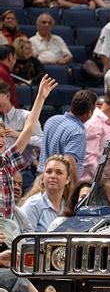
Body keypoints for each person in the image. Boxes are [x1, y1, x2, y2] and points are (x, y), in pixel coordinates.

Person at [0, 75, 56, 220]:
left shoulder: (6, 160)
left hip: (7, 233)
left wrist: (40, 97)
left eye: (2, 136)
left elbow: (29, 129)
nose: (2, 140)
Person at [39, 89, 97, 182]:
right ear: (89, 113)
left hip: (42, 178)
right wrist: (74, 186)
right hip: (59, 184)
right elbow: (70, 159)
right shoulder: (78, 132)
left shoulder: (52, 120)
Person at [20, 155, 72, 231]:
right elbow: (24, 240)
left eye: (59, 173)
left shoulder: (67, 208)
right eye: (49, 172)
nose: (53, 176)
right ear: (43, 177)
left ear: (67, 179)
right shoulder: (32, 206)